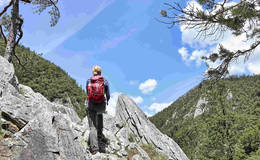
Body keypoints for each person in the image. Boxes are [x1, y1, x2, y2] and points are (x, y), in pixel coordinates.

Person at [86, 65, 110, 155]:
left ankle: (94, 148)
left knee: (92, 127)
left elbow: (88, 93)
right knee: (100, 114)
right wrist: (107, 101)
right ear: (100, 72)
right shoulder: (105, 80)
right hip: (101, 105)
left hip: (91, 104)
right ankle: (99, 134)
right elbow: (108, 94)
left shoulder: (89, 80)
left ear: (93, 72)